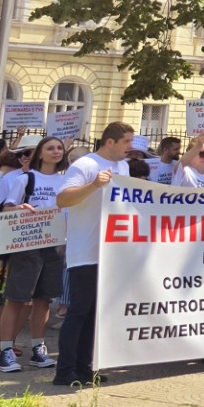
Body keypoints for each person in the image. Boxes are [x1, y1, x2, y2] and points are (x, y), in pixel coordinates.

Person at [52, 122, 133, 387]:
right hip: (84, 250)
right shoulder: (85, 165)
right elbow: (63, 199)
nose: (130, 148)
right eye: (126, 142)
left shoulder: (124, 167)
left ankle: (85, 369)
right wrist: (94, 186)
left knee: (95, 313)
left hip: (109, 252)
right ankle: (64, 371)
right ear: (110, 142)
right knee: (79, 311)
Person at [0, 135, 67, 373]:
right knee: (17, 298)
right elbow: (6, 208)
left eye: (59, 148)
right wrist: (19, 207)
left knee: (43, 299)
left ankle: (38, 348)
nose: (56, 152)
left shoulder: (67, 181)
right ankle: (6, 350)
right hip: (28, 243)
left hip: (54, 243)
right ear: (40, 153)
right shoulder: (26, 179)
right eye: (50, 148)